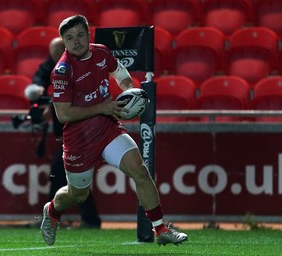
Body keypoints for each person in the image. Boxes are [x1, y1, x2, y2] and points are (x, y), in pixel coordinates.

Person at [40, 15, 188, 246]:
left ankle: (160, 230)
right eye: (69, 38)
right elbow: (64, 114)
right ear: (64, 42)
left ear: (88, 34)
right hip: (79, 140)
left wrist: (129, 92)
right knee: (78, 194)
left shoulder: (101, 52)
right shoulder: (62, 70)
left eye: (80, 35)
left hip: (108, 128)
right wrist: (102, 106)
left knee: (140, 170)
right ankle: (52, 211)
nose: (76, 41)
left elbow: (120, 73)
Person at [25, 37, 101, 228]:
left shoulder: (82, 66)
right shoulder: (54, 63)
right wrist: (39, 89)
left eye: (56, 55)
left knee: (60, 171)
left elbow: (76, 92)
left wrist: (51, 105)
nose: (54, 61)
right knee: (71, 176)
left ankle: (51, 218)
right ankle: (88, 219)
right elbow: (41, 75)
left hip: (82, 130)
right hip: (66, 131)